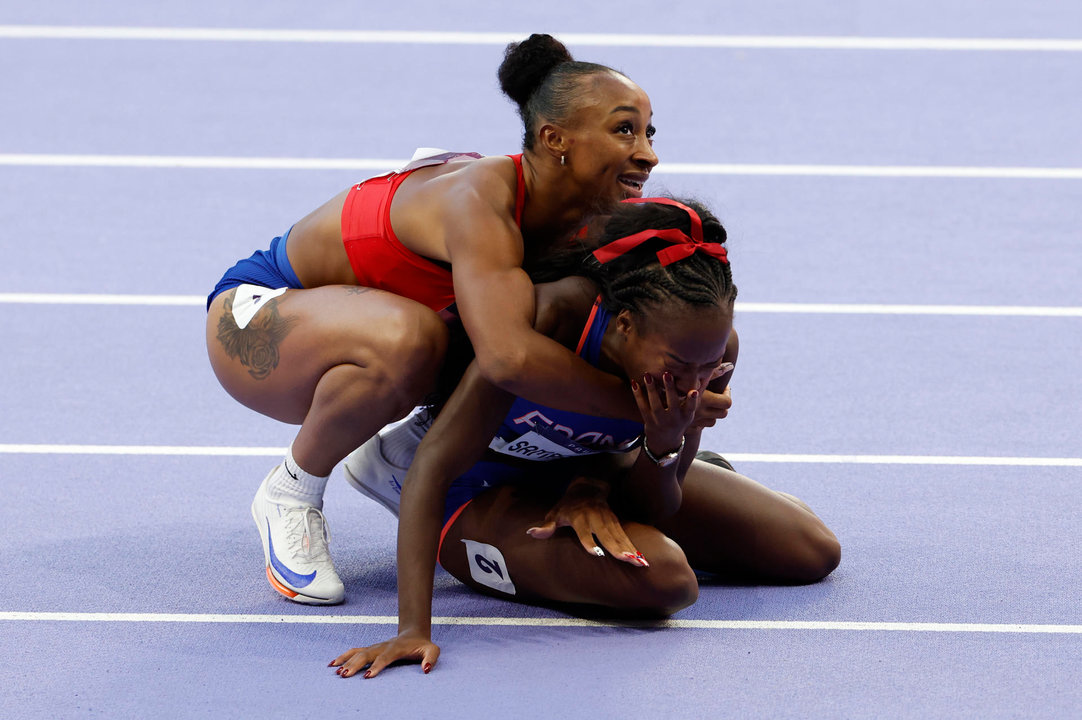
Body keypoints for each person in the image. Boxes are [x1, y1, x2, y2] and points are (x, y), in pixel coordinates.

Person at [205, 34, 736, 605]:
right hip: (259, 317)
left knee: (551, 309)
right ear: (555, 139)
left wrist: (636, 452)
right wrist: (650, 410)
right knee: (415, 339)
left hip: (388, 329)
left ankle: (409, 446)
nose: (648, 153)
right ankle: (293, 488)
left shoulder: (602, 215)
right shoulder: (478, 200)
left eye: (649, 132)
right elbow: (508, 357)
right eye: (624, 129)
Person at [328, 197, 841, 678]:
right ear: (623, 326)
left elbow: (655, 505)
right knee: (666, 581)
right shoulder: (544, 322)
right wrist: (412, 629)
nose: (693, 382)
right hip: (468, 481)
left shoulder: (709, 352)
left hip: (591, 464)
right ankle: (388, 466)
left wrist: (664, 445)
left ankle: (604, 483)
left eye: (707, 369)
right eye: (680, 367)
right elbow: (434, 468)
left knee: (812, 552)